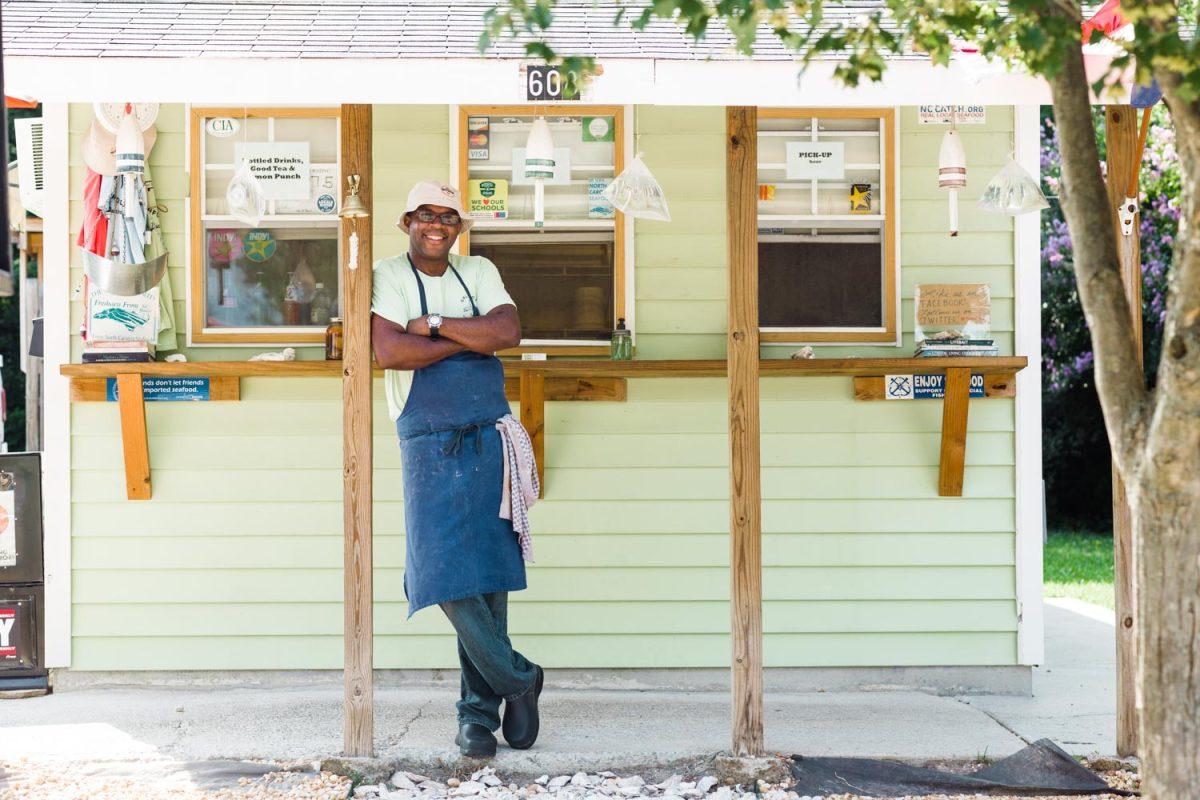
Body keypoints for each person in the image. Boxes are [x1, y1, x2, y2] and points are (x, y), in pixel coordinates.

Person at [371, 180, 543, 758]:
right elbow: (391, 351)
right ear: (408, 221)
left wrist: (437, 327)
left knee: (489, 576)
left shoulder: (481, 269)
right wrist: (473, 340)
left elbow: (508, 332)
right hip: (425, 438)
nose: (437, 225)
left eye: (448, 216)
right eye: (425, 214)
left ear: (459, 227)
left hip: (488, 435)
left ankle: (476, 717)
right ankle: (520, 678)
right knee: (440, 572)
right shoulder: (390, 275)